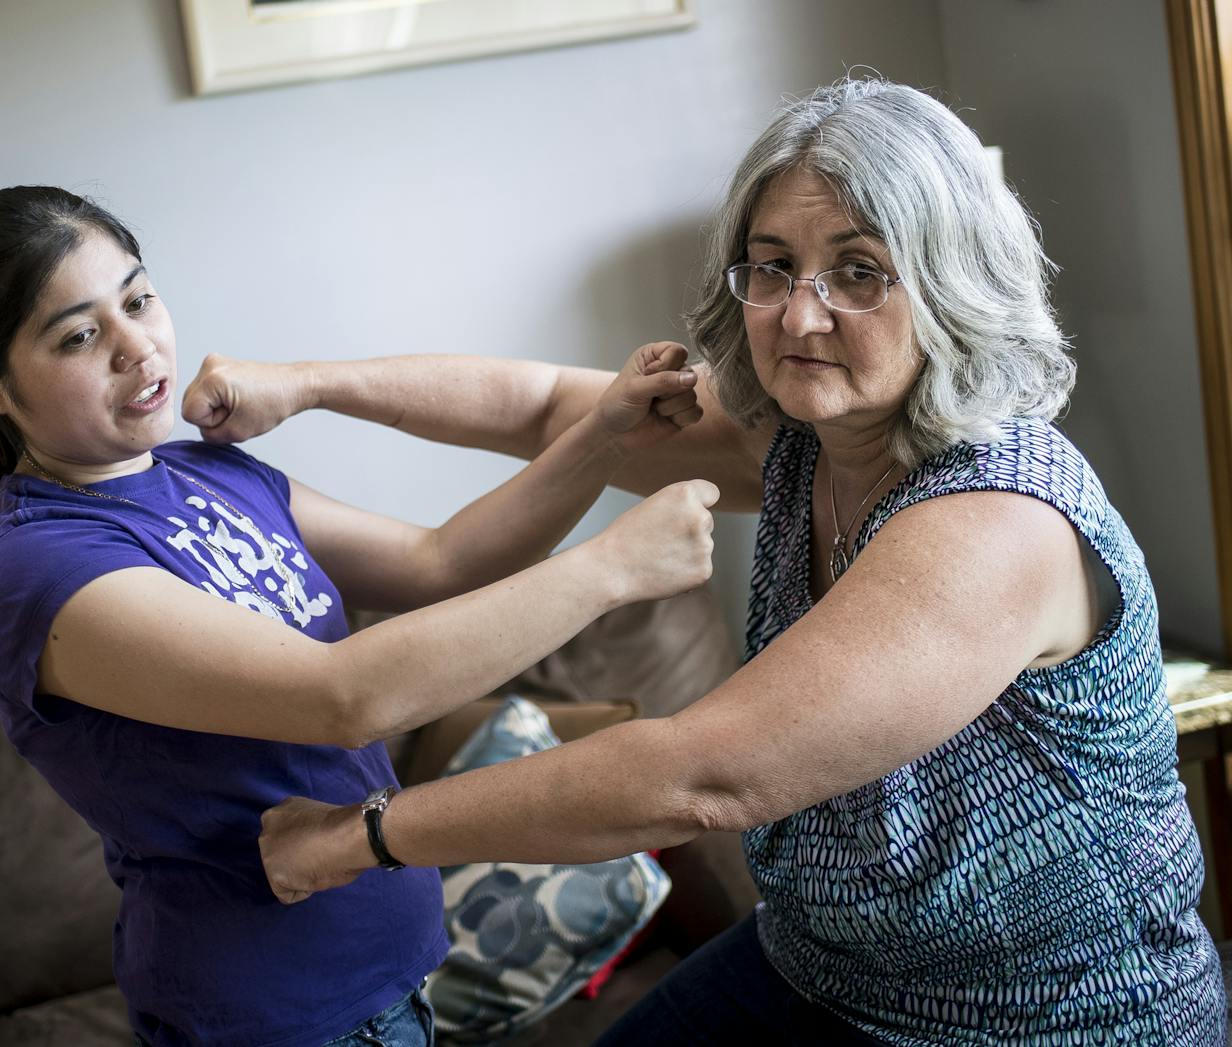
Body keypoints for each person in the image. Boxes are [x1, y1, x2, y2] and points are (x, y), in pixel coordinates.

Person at [208, 78, 1229, 1043]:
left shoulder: (995, 520)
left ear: (951, 282)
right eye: (773, 264)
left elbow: (699, 778)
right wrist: (299, 385)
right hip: (821, 967)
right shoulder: (799, 438)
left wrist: (364, 834)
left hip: (1040, 1019)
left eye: (858, 271)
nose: (799, 312)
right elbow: (543, 407)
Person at [0, 185, 720, 1047]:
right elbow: (340, 697)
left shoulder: (206, 473)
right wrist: (611, 569)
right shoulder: (36, 566)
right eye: (79, 335)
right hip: (276, 1013)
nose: (136, 345)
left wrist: (602, 437)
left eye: (139, 299)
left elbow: (437, 561)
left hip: (389, 970)